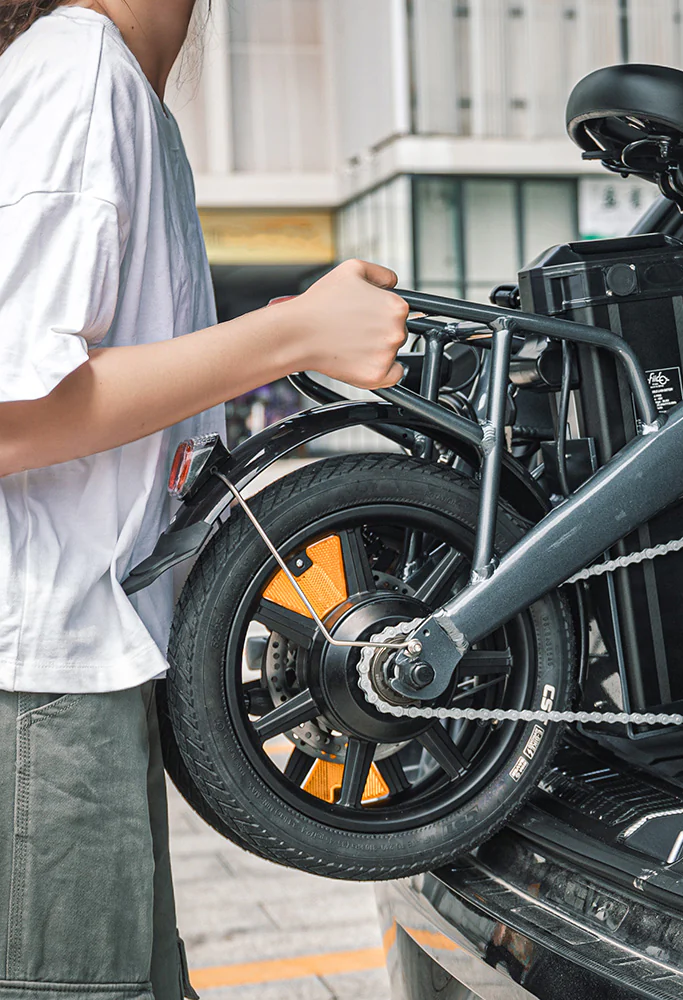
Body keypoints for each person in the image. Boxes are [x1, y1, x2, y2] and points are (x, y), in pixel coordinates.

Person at [0, 1, 408, 997]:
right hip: (42, 689)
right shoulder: (79, 71)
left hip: (80, 675)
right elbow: (11, 417)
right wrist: (291, 337)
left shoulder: (118, 87)